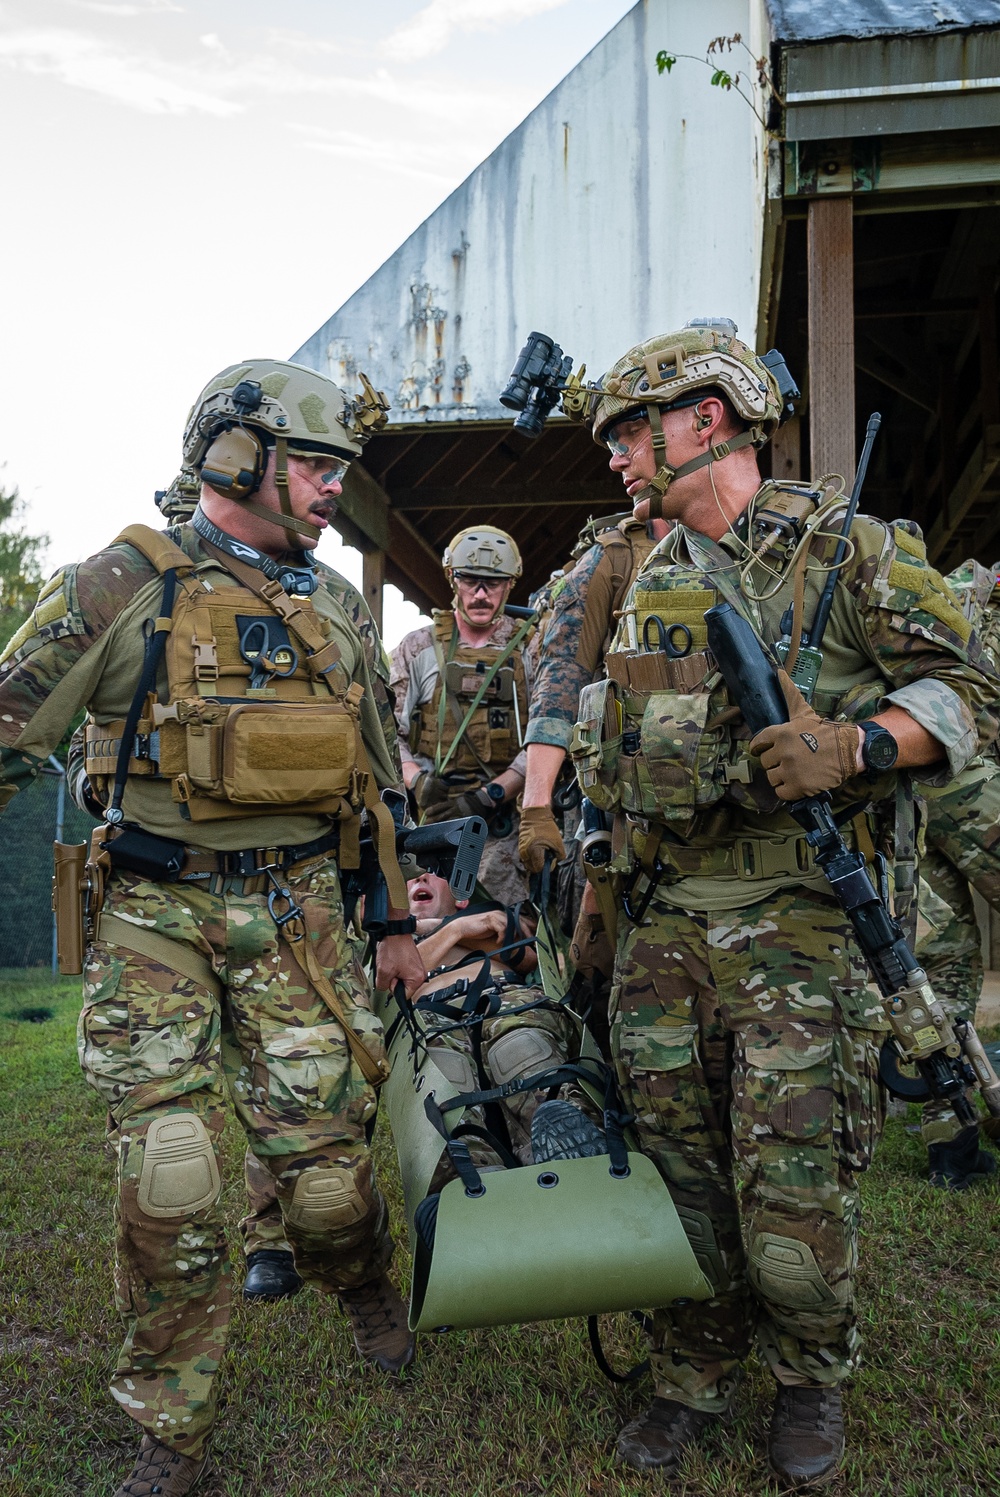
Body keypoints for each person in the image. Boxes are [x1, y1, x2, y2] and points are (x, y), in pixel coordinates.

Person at [554, 319, 997, 1485]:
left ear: (705, 419)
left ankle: (809, 1374)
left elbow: (967, 693)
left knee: (793, 1178)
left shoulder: (850, 553)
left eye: (627, 432)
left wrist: (857, 744)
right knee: (677, 1170)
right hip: (660, 925)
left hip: (801, 927)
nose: (613, 457)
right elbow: (605, 744)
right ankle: (691, 1367)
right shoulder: (638, 577)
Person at [0, 359, 426, 1497]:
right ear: (235, 455)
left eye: (343, 470)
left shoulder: (336, 608)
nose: (335, 490)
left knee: (326, 1181)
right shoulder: (121, 582)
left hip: (301, 917)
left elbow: (377, 787)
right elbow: (5, 725)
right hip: (157, 909)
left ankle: (363, 1278)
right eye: (316, 465)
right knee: (172, 1171)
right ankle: (170, 1426)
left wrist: (391, 918)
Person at [390, 526, 535, 906]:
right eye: (470, 580)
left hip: (505, 826)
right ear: (452, 579)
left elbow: (548, 731)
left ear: (510, 584)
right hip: (433, 821)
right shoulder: (418, 647)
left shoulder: (532, 649)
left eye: (493, 582)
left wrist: (492, 795)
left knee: (500, 926)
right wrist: (417, 780)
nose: (481, 594)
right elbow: (393, 731)